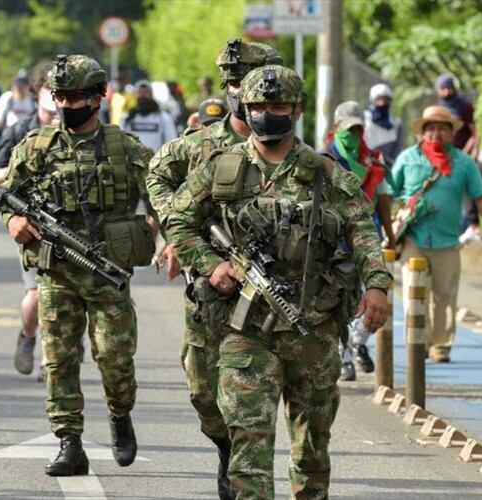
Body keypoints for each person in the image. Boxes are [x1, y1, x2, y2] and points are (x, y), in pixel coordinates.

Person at [165, 65, 391, 499]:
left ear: (297, 110)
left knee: (312, 451)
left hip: (315, 327)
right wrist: (212, 265)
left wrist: (377, 285)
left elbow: (361, 227)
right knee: (248, 450)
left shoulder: (323, 173)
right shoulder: (220, 169)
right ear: (244, 110)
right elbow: (179, 221)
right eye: (258, 107)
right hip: (244, 330)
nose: (268, 114)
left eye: (278, 106)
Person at [0, 54, 155, 477]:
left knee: (115, 358)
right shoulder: (36, 145)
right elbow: (6, 193)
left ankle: (120, 415)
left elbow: (161, 194)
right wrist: (15, 220)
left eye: (77, 97)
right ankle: (69, 441)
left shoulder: (125, 148)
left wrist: (170, 237)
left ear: (98, 97)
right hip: (56, 271)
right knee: (59, 360)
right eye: (61, 97)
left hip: (107, 271)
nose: (68, 105)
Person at [146, 39, 282, 500]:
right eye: (227, 81)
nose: (232, 89)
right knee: (203, 390)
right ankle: (225, 445)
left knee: (250, 392)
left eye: (240, 80)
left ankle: (246, 470)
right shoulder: (199, 144)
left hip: (268, 293)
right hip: (209, 287)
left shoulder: (287, 147)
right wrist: (177, 235)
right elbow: (157, 177)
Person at [390, 105, 482, 363]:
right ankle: (419, 340)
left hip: (447, 240)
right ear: (423, 132)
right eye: (431, 128)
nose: (436, 133)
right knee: (414, 291)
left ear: (451, 133)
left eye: (442, 128)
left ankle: (441, 345)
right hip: (413, 236)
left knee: (445, 296)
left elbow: (480, 196)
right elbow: (389, 192)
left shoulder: (463, 163)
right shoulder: (407, 158)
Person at [0, 61, 56, 380]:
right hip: (30, 222)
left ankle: (51, 359)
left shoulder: (76, 128)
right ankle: (28, 337)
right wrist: (20, 169)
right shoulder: (19, 129)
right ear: (36, 91)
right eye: (48, 90)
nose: (54, 98)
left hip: (70, 225)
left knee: (66, 295)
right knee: (37, 294)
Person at [327, 100, 395, 382]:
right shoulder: (325, 160)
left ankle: (357, 341)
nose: (353, 136)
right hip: (336, 240)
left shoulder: (373, 161)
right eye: (347, 131)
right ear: (336, 129)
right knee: (343, 299)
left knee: (376, 295)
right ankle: (343, 358)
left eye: (357, 130)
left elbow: (382, 199)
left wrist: (389, 234)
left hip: (369, 237)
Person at [121, 80, 178, 153]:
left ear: (151, 94)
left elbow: (171, 142)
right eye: (140, 92)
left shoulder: (164, 118)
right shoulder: (127, 118)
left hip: (157, 161)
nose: (143, 95)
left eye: (146, 92)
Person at [435, 74, 478, 158]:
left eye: (449, 88)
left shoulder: (464, 107)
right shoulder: (438, 108)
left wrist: (467, 152)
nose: (446, 92)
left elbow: (475, 132)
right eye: (443, 89)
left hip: (464, 153)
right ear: (438, 90)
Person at [363, 83, 403, 162]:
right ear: (373, 100)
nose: (382, 103)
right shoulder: (364, 118)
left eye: (385, 99)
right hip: (366, 163)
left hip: (388, 166)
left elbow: (397, 149)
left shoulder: (396, 123)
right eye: (379, 99)